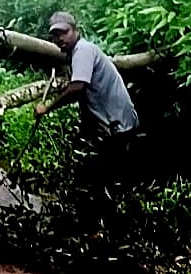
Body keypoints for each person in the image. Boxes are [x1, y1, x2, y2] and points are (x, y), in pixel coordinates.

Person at [35, 11, 138, 179]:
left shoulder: (82, 50)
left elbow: (77, 88)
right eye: (55, 35)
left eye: (64, 32)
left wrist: (47, 108)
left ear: (76, 31)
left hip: (118, 125)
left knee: (114, 176)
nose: (60, 39)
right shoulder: (78, 52)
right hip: (116, 123)